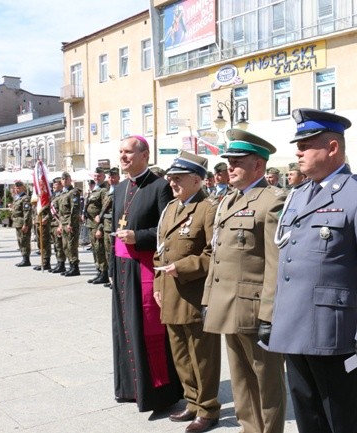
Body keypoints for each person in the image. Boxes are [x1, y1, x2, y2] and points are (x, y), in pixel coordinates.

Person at [264, 108, 357, 433]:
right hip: (293, 326)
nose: (298, 151)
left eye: (307, 145)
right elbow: (287, 260)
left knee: (342, 421)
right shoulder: (298, 195)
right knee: (308, 419)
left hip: (334, 333)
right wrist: (273, 317)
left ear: (333, 147)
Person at [202, 129, 287, 433]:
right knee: (240, 380)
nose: (230, 167)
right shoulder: (227, 201)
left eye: (238, 162)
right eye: (229, 161)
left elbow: (276, 263)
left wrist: (269, 313)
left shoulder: (272, 200)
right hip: (226, 304)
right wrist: (207, 299)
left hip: (254, 310)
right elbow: (217, 255)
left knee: (267, 382)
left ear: (258, 166)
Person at [110, 135, 183, 412]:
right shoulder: (118, 188)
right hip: (122, 269)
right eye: (120, 152)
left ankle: (158, 393)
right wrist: (110, 269)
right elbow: (115, 230)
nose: (123, 157)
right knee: (124, 328)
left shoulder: (159, 186)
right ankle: (129, 388)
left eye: (128, 152)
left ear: (144, 155)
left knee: (148, 329)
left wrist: (137, 236)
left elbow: (167, 232)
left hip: (145, 268)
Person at [153, 152, 221, 433]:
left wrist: (183, 267)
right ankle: (192, 401)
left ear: (196, 180)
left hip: (195, 294)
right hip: (170, 292)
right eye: (170, 178)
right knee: (180, 354)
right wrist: (158, 286)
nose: (172, 183)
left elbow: (214, 254)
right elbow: (160, 251)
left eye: (178, 178)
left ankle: (208, 408)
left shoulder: (208, 208)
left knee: (202, 356)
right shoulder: (171, 207)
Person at [85, 167, 109, 284]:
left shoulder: (104, 191)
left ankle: (104, 273)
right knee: (95, 249)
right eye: (95, 176)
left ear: (103, 177)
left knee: (100, 249)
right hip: (91, 224)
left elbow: (104, 210)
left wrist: (100, 228)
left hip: (98, 225)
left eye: (99, 176)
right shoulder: (95, 189)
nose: (96, 177)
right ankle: (99, 271)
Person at [99, 167, 120, 288]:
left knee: (115, 253)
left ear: (118, 177)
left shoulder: (121, 190)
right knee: (108, 253)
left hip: (116, 226)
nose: (111, 179)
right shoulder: (107, 191)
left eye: (113, 176)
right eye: (109, 177)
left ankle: (116, 278)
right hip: (107, 226)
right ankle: (110, 277)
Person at [57, 172, 81, 277]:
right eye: (63, 179)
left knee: (72, 246)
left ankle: (75, 267)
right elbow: (60, 211)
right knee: (65, 246)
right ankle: (70, 266)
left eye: (66, 179)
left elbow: (74, 209)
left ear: (70, 180)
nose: (64, 181)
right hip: (64, 222)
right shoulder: (63, 193)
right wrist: (61, 224)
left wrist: (70, 223)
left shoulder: (74, 192)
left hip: (71, 223)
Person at [11, 181, 32, 267]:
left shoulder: (25, 198)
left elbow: (27, 212)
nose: (17, 190)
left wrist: (26, 224)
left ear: (23, 188)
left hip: (22, 223)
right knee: (20, 241)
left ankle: (26, 259)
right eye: (16, 188)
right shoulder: (17, 198)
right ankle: (24, 257)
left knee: (24, 241)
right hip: (17, 223)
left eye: (19, 188)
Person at [49, 178, 67, 274]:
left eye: (55, 185)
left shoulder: (61, 196)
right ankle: (58, 262)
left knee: (59, 245)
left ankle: (61, 264)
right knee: (56, 245)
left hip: (58, 223)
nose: (53, 186)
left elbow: (61, 211)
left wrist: (60, 224)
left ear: (60, 185)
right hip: (52, 223)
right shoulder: (53, 196)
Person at [33, 193, 52, 271]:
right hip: (38, 222)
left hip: (44, 223)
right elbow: (35, 210)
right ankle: (42, 261)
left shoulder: (47, 197)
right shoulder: (38, 197)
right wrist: (34, 218)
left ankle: (46, 262)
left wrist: (46, 219)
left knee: (44, 242)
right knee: (39, 243)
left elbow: (51, 211)